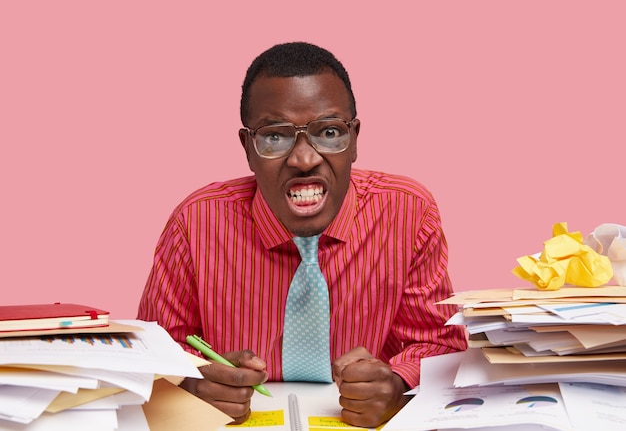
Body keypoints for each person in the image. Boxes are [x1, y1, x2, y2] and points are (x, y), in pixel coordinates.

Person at [137, 41, 467, 426]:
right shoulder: (196, 222)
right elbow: (153, 356)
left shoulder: (407, 213)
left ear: (355, 139)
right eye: (275, 136)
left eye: (329, 132)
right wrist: (191, 388)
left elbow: (438, 343)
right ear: (248, 147)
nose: (304, 159)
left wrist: (396, 384)